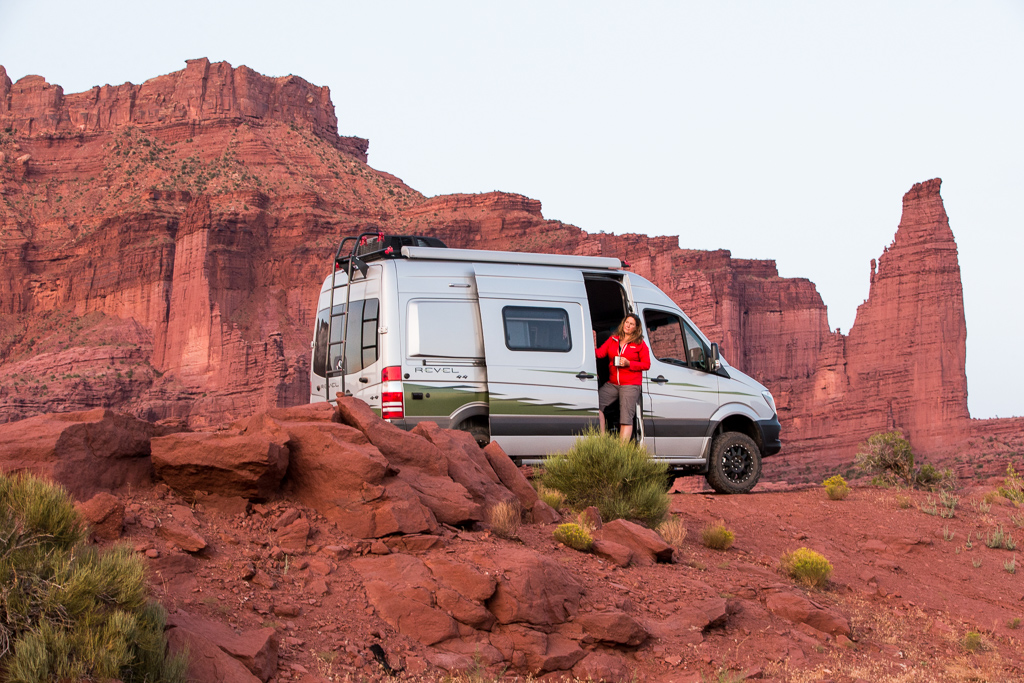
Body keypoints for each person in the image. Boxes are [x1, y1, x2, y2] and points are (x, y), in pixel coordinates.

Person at [594, 314, 651, 442]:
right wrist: (586, 351)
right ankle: (602, 441)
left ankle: (622, 451)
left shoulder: (639, 344)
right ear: (623, 323)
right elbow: (600, 353)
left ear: (636, 328)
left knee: (625, 418)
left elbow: (646, 364)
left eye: (632, 324)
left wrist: (629, 363)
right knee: (594, 405)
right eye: (627, 322)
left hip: (630, 384)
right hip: (613, 383)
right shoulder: (613, 339)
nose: (628, 325)